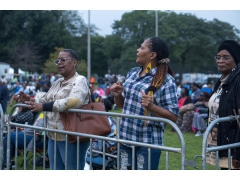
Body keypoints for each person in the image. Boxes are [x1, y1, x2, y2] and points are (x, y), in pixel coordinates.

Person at [110, 37, 179, 170]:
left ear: (152, 55)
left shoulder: (166, 80)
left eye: (142, 48)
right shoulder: (132, 73)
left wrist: (151, 107)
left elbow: (173, 116)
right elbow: (122, 105)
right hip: (125, 140)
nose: (138, 50)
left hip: (148, 144)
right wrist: (117, 96)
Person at [18, 49, 90, 170]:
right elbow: (44, 101)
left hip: (71, 136)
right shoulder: (57, 82)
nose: (59, 63)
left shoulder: (80, 80)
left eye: (63, 60)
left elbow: (75, 101)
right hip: (53, 135)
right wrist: (30, 100)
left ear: (74, 62)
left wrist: (44, 106)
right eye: (57, 61)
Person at [206, 40, 240, 170]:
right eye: (218, 57)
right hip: (220, 143)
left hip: (232, 146)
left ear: (236, 59)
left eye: (226, 58)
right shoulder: (222, 81)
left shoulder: (237, 80)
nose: (220, 61)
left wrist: (238, 153)